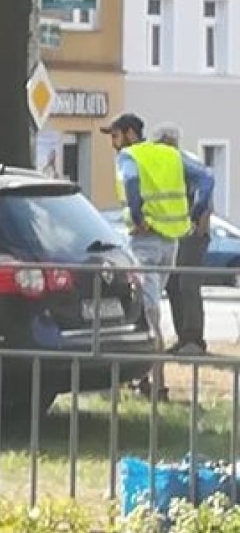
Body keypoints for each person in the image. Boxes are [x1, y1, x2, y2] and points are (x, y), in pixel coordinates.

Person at [101, 112, 212, 400]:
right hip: (170, 243)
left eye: (114, 135)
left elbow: (131, 182)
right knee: (147, 308)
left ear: (128, 133)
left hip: (145, 242)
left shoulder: (129, 157)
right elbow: (207, 177)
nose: (112, 143)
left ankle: (156, 385)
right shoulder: (169, 155)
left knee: (150, 312)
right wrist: (196, 211)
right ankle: (143, 380)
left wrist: (137, 216)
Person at [153, 123, 215, 355]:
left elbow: (206, 192)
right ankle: (183, 337)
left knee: (188, 284)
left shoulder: (186, 162)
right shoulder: (168, 164)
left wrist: (200, 224)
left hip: (193, 231)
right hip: (176, 232)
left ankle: (195, 340)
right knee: (173, 284)